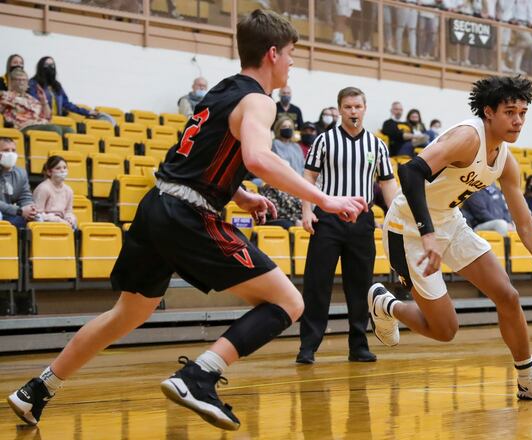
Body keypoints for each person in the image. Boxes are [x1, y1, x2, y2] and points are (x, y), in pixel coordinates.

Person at [7, 10, 368, 431]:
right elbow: (257, 157)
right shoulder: (260, 101)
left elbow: (195, 157)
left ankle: (38, 388)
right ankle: (200, 376)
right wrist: (325, 198)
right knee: (289, 302)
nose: (292, 64)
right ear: (272, 54)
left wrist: (240, 193)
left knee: (125, 315)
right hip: (188, 216)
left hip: (157, 207)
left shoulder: (221, 91)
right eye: (290, 55)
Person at [367, 75, 532, 402]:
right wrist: (427, 235)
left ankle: (528, 380)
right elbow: (410, 172)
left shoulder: (506, 160)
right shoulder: (468, 137)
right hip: (409, 228)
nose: (518, 120)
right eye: (510, 112)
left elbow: (524, 223)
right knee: (445, 330)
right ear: (488, 112)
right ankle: (387, 304)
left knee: (507, 295)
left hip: (450, 222)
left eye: (523, 113)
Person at [298, 86, 399, 365]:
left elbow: (387, 183)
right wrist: (307, 210)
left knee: (361, 286)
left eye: (358, 106)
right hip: (328, 218)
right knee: (317, 284)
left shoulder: (377, 145)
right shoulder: (324, 141)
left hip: (363, 219)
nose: (353, 111)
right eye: (348, 107)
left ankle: (359, 345)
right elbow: (308, 178)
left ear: (364, 109)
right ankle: (308, 346)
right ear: (340, 109)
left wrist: (399, 216)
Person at [28, 57, 114, 124]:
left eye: (52, 65)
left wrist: (87, 112)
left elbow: (67, 104)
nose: (50, 68)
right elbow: (34, 103)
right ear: (40, 67)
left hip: (58, 119)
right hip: (41, 119)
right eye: (47, 65)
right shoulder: (33, 83)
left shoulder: (57, 85)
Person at [0, 69, 73, 136]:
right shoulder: (5, 95)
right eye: (18, 80)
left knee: (69, 131)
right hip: (23, 127)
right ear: (11, 82)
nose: (21, 82)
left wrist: (44, 101)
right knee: (54, 129)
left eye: (24, 80)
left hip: (40, 125)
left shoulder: (32, 99)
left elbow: (48, 117)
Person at [32, 155, 77, 229]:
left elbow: (68, 211)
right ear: (49, 172)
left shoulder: (69, 190)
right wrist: (57, 220)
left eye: (64, 168)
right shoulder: (43, 188)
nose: (62, 170)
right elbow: (37, 214)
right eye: (58, 168)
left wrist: (69, 219)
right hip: (46, 225)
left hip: (63, 224)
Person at [0, 137, 36, 228]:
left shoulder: (21, 173)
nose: (11, 154)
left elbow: (25, 196)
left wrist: (30, 209)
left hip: (10, 213)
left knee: (37, 219)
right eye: (6, 150)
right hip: (7, 213)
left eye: (13, 150)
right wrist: (19, 211)